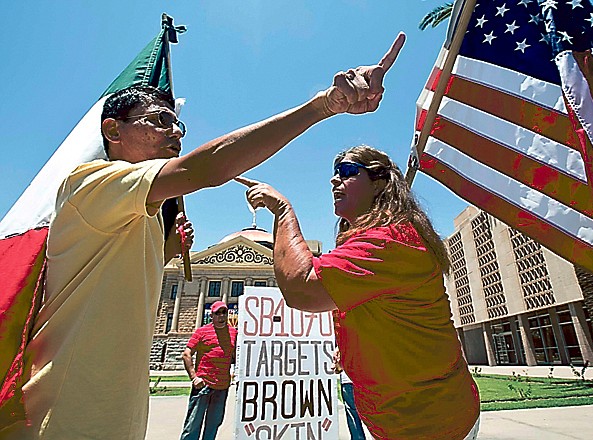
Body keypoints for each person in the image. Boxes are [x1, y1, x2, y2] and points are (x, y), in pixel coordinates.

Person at [3, 33, 405, 440]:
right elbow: (207, 169)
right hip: (63, 418)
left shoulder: (137, 218)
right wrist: (322, 106)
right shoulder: (87, 182)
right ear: (112, 130)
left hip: (112, 417)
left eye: (177, 123)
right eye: (160, 121)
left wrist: (166, 252)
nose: (175, 132)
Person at [237, 145, 480, 439]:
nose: (334, 179)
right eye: (334, 173)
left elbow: (301, 288)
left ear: (380, 182)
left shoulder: (390, 240)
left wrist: (282, 211)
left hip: (430, 423)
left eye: (348, 171)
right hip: (407, 417)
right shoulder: (378, 238)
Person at [180, 301, 237, 440]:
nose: (221, 316)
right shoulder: (202, 332)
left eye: (224, 312)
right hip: (203, 386)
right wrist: (194, 377)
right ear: (212, 315)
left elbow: (236, 357)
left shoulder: (234, 333)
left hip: (222, 387)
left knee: (213, 425)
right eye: (218, 313)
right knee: (192, 426)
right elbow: (186, 354)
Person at [333, 346, 367, 440]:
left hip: (348, 379)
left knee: (353, 415)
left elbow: (338, 365)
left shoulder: (343, 341)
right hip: (367, 379)